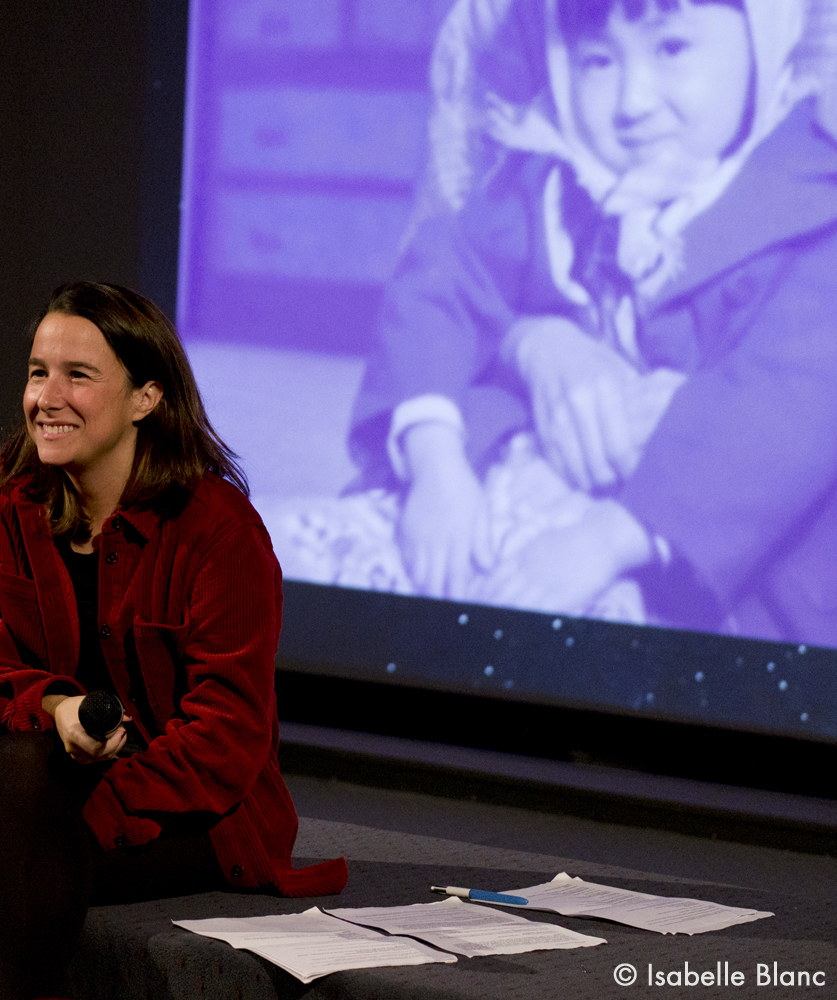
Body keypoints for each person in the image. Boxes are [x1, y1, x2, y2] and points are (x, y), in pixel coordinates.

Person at [299, 0, 837, 645]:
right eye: (599, 62)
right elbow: (441, 284)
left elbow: (786, 405)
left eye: (671, 48)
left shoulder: (813, 207)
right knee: (290, 578)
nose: (633, 102)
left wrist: (607, 542)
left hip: (694, 557)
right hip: (506, 491)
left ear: (762, 38)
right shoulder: (550, 183)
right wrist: (436, 463)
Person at [0, 282, 348, 1000]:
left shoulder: (218, 530)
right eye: (37, 372)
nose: (46, 398)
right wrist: (57, 707)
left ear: (146, 398)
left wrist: (84, 814)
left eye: (78, 376)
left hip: (191, 809)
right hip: (40, 783)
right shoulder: (6, 502)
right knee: (20, 768)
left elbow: (227, 737)